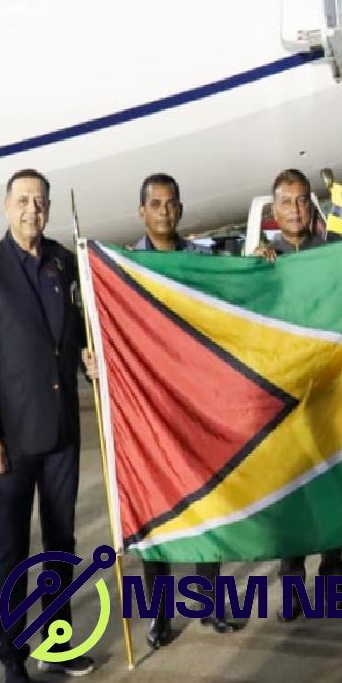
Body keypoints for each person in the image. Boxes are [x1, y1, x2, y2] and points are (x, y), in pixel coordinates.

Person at [0, 169, 97, 683]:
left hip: (62, 431)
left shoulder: (62, 261)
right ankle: (12, 658)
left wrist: (86, 353)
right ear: (6, 207)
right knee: (13, 550)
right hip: (13, 440)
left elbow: (74, 328)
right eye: (23, 201)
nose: (32, 210)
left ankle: (56, 645)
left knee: (61, 543)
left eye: (39, 201)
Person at [129, 174, 232, 645]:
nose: (164, 211)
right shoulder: (126, 267)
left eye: (171, 203)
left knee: (207, 502)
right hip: (151, 408)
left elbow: (229, 305)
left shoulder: (201, 261)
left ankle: (209, 601)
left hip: (197, 402)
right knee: (157, 510)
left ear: (181, 209)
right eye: (155, 204)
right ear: (142, 212)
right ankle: (159, 613)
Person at [253, 170, 342, 619]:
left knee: (331, 489)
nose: (295, 209)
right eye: (287, 202)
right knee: (291, 494)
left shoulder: (330, 256)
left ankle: (334, 578)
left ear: (313, 206)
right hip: (282, 397)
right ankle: (292, 586)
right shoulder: (261, 262)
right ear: (274, 210)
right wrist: (252, 269)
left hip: (326, 389)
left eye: (303, 200)